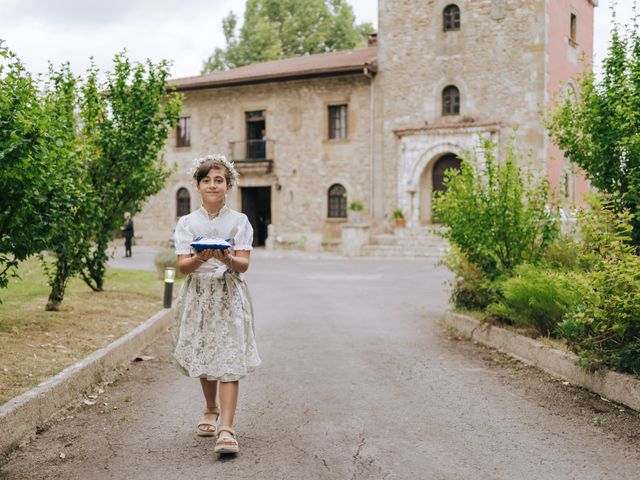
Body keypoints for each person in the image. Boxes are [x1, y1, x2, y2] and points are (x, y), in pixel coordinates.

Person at [171, 153, 261, 455]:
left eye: (219, 180)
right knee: (206, 352)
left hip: (228, 293)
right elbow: (182, 267)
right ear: (198, 185)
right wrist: (200, 257)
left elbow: (244, 264)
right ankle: (210, 407)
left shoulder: (239, 221)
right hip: (199, 295)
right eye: (206, 180)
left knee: (230, 357)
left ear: (228, 186)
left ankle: (227, 429)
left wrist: (227, 257)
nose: (213, 185)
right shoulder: (186, 223)